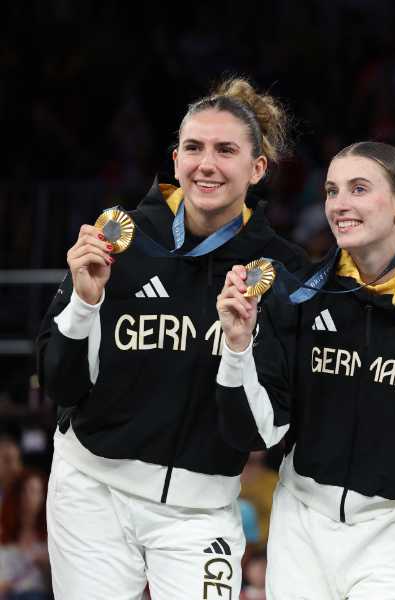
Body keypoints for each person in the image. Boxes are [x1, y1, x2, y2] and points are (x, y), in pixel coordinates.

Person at [35, 77, 304, 599]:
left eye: (226, 150)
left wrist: (238, 347)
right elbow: (58, 384)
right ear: (175, 158)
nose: (207, 164)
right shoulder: (118, 240)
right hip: (93, 493)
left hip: (200, 512)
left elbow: (263, 433)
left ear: (257, 168)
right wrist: (85, 305)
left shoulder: (278, 272)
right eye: (194, 148)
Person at [215, 141, 395, 600]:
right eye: (331, 191)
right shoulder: (302, 296)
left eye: (359, 189)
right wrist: (238, 346)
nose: (340, 204)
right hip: (301, 524)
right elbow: (261, 432)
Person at [0, 469, 50, 600]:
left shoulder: (51, 534)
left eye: (36, 491)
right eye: (25, 491)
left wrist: (46, 565)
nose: (30, 497)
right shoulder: (4, 531)